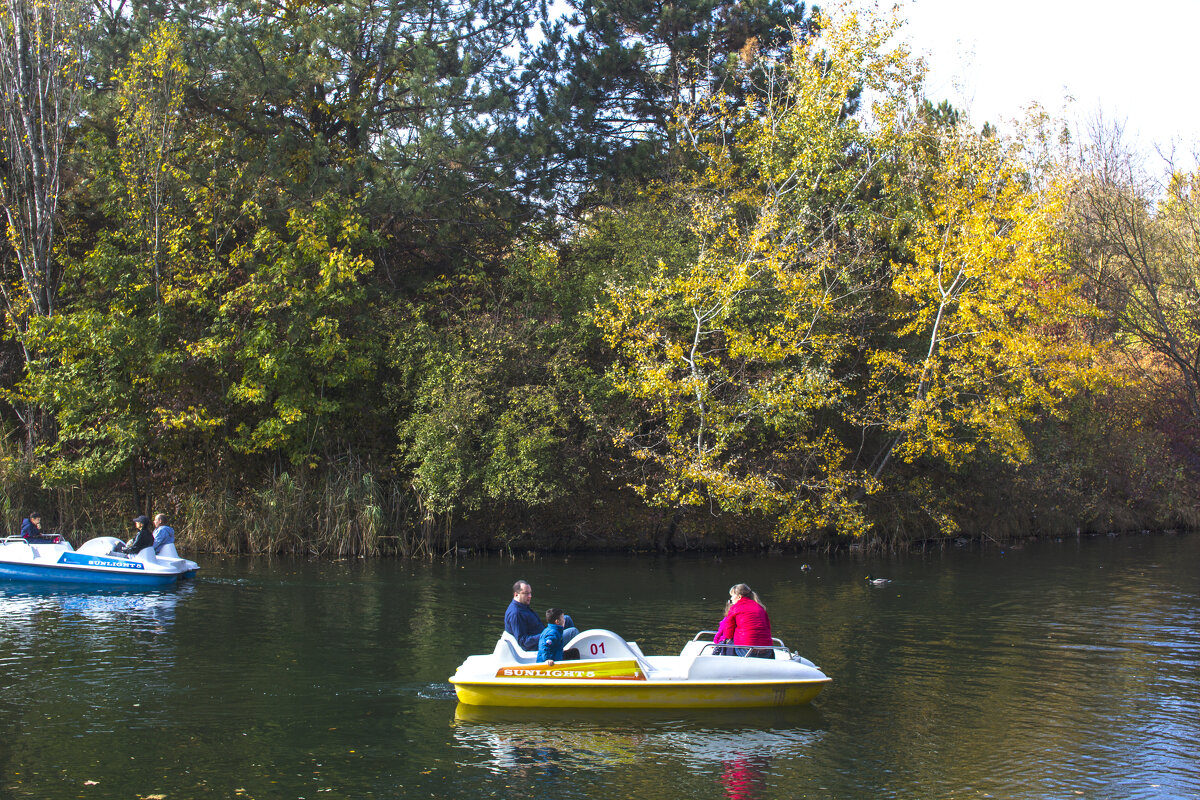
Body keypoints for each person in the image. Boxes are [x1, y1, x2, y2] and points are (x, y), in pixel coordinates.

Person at [504, 580, 579, 652]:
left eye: (530, 593)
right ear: (516, 594)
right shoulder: (516, 613)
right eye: (526, 593)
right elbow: (523, 642)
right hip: (538, 646)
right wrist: (546, 634)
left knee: (566, 619)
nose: (530, 596)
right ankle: (579, 655)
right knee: (573, 632)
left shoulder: (523, 607)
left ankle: (568, 652)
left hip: (543, 636)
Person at [714, 583, 774, 658]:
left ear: (739, 597)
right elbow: (768, 628)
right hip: (766, 651)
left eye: (732, 596)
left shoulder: (735, 608)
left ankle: (728, 665)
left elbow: (728, 633)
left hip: (747, 651)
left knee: (729, 641)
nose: (731, 599)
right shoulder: (760, 608)